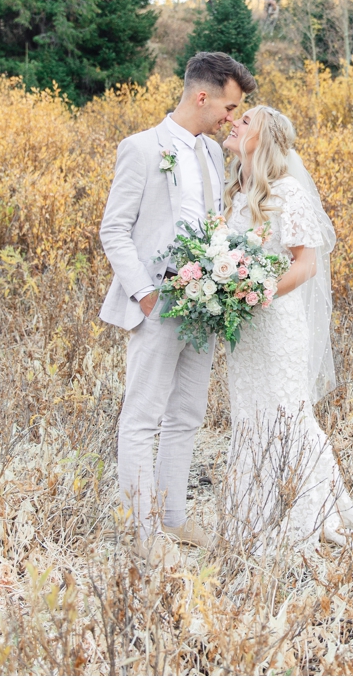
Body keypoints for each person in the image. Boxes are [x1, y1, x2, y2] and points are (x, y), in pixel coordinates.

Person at [97, 51, 255, 568]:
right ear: (202, 96)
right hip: (157, 298)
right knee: (142, 416)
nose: (232, 119)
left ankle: (172, 517)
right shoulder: (141, 148)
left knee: (186, 414)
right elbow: (114, 229)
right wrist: (144, 292)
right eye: (229, 107)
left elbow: (211, 222)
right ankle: (142, 529)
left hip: (203, 300)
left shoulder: (212, 154)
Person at [217, 105, 353, 554]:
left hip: (277, 323)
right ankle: (254, 514)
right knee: (249, 413)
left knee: (286, 412)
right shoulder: (237, 195)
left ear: (263, 138)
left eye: (245, 122)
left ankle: (307, 512)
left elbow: (306, 264)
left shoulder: (288, 193)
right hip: (245, 331)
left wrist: (259, 293)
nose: (234, 124)